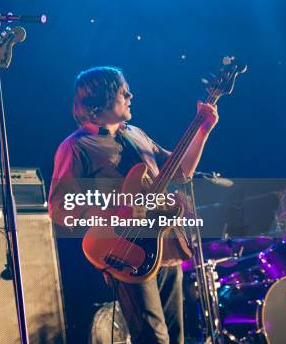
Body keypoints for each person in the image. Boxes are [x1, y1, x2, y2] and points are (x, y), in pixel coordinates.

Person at [48, 66, 218, 343]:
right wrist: (117, 211)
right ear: (100, 102)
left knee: (175, 337)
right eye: (121, 91)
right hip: (126, 250)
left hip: (164, 246)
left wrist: (203, 132)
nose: (130, 94)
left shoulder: (137, 134)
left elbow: (180, 172)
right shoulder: (77, 147)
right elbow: (59, 208)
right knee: (153, 338)